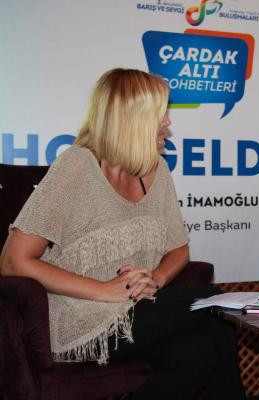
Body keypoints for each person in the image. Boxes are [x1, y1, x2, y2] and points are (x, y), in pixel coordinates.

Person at [0, 68, 244, 400]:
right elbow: (13, 261)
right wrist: (104, 290)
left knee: (198, 352)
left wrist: (156, 278)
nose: (168, 122)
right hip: (81, 319)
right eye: (160, 114)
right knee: (212, 302)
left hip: (137, 310)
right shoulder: (76, 165)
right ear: (132, 120)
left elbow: (178, 249)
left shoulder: (156, 171)